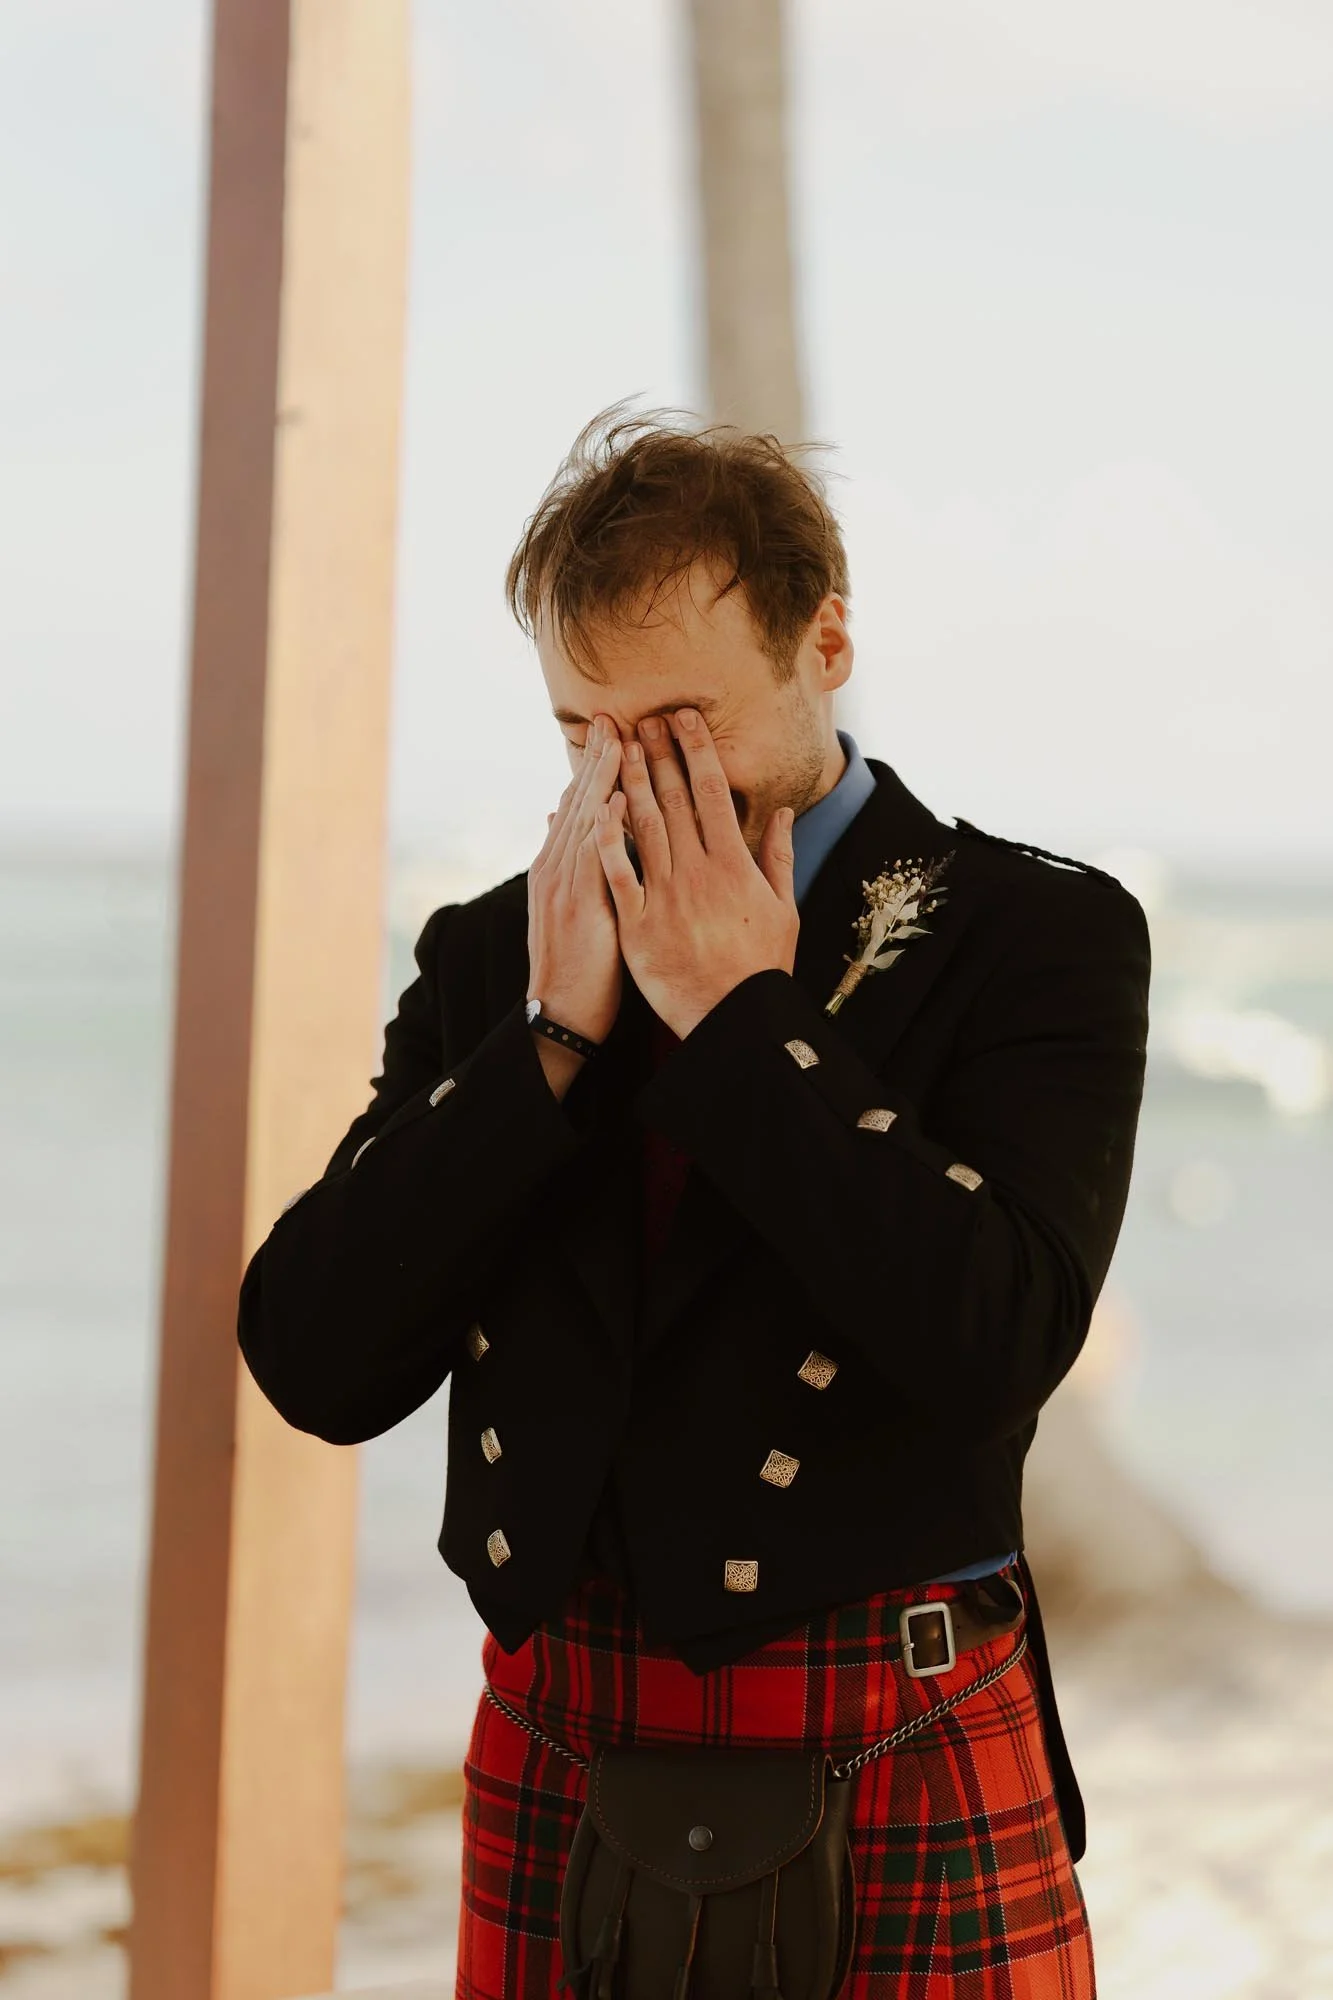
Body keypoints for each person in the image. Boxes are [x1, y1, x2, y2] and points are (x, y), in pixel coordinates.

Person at [238, 404, 1150, 1997]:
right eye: (584, 735)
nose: (633, 781)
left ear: (826, 641)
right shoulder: (497, 954)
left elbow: (999, 1338)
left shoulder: (1034, 934)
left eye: (678, 724)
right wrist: (547, 1043)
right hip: (563, 1731)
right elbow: (316, 1360)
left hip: (897, 1725)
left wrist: (745, 1026)